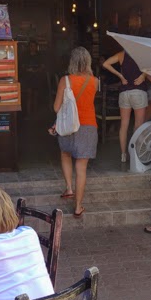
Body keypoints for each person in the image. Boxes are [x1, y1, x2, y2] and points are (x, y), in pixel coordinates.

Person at [52, 47, 98, 219]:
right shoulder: (95, 81)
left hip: (69, 125)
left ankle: (69, 188)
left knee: (65, 154)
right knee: (81, 167)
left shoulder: (65, 80)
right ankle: (78, 207)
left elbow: (56, 107)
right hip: (88, 126)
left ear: (72, 61)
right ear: (88, 62)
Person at [102, 50, 148, 162]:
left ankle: (123, 154)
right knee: (138, 125)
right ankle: (135, 154)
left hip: (124, 93)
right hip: (138, 92)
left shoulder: (122, 54)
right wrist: (143, 75)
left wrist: (121, 76)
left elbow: (105, 64)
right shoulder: (142, 52)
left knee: (123, 125)